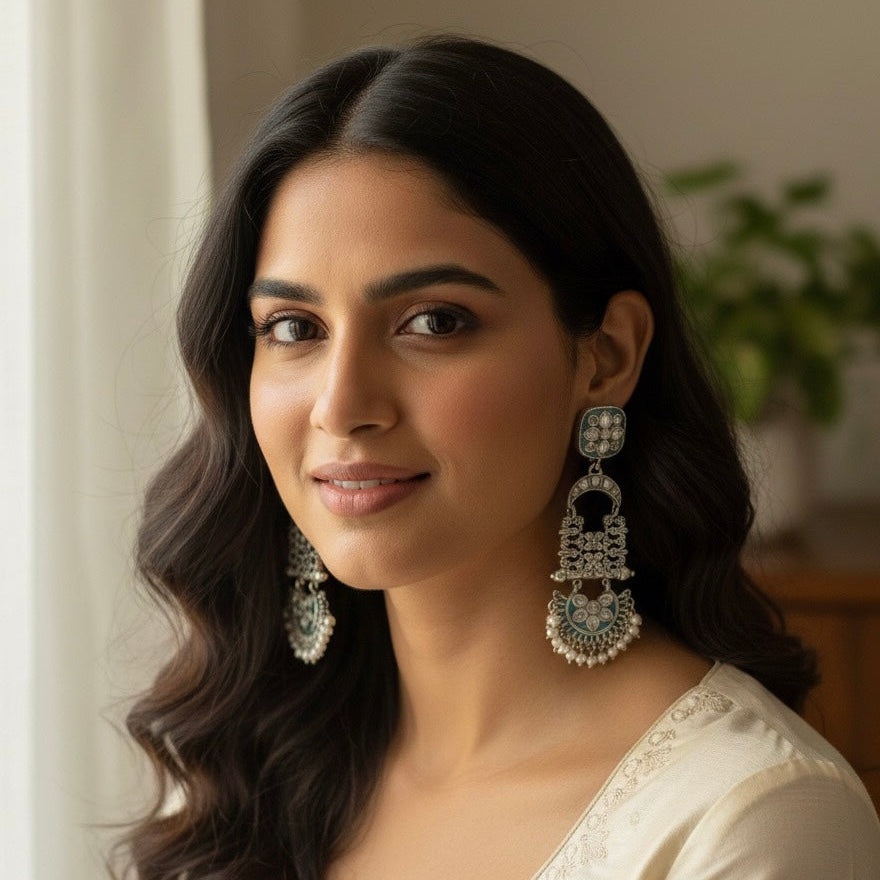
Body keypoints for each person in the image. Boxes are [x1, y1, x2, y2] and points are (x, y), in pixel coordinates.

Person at [119, 35, 880, 880]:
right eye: (294, 329)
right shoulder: (243, 769)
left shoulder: (750, 820)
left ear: (607, 356)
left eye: (434, 322)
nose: (341, 406)